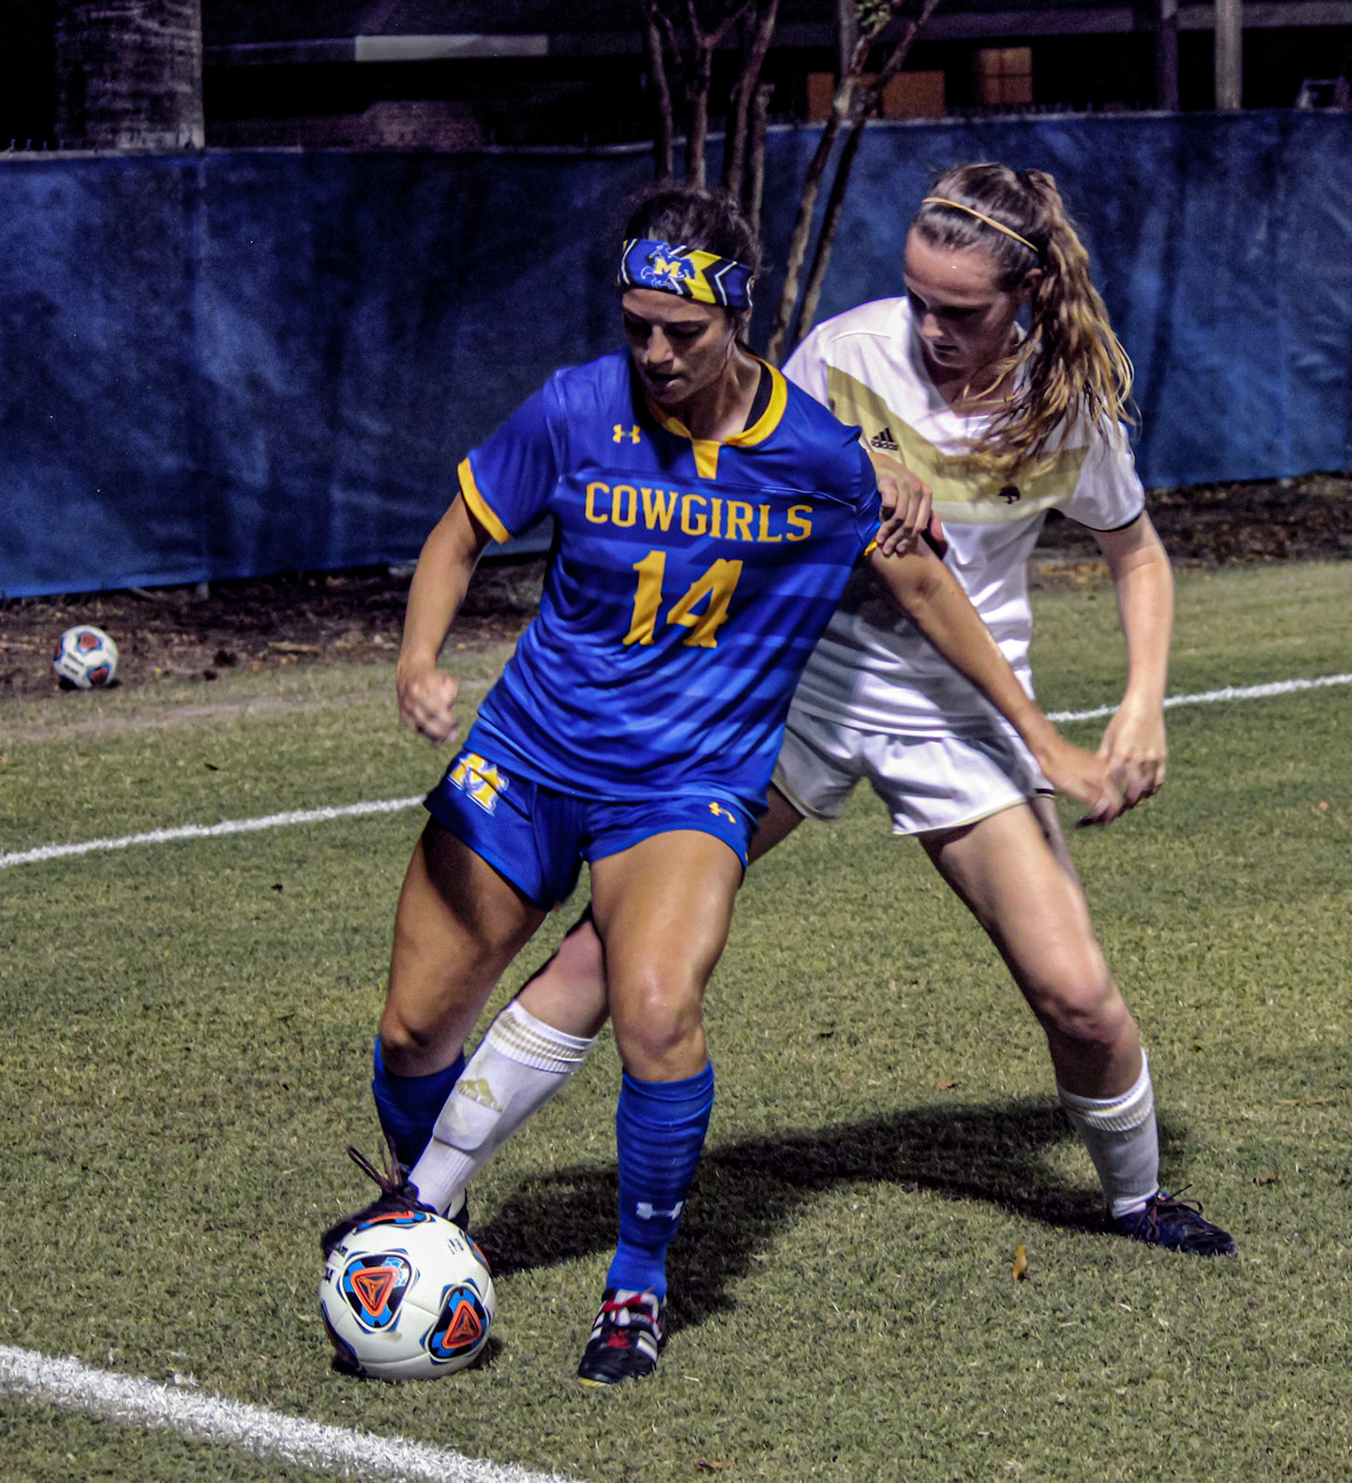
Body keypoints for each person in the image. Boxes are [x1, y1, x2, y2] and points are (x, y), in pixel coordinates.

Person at [321, 184, 1118, 1388]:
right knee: (414, 1025)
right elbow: (459, 532)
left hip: (685, 786)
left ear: (737, 319)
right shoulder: (576, 408)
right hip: (528, 755)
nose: (653, 351)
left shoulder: (820, 456)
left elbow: (928, 596)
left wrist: (1041, 739)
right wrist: (419, 658)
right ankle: (422, 1203)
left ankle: (636, 1285)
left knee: (654, 1008)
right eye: (635, 323)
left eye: (680, 333)